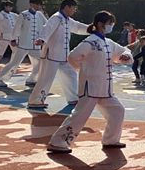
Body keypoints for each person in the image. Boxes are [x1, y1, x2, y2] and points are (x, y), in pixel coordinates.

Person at [47, 11, 132, 153]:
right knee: (79, 116)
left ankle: (110, 140)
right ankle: (58, 142)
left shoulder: (108, 42)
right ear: (100, 24)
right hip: (91, 87)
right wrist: (84, 70)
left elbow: (124, 51)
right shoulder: (90, 41)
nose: (111, 26)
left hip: (105, 88)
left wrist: (125, 56)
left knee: (117, 111)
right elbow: (72, 57)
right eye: (109, 23)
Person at [27, 0, 89, 109]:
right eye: (73, 8)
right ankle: (35, 101)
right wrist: (42, 39)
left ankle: (73, 98)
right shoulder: (56, 17)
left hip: (64, 55)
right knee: (46, 78)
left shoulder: (68, 20)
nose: (74, 10)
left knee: (71, 74)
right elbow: (47, 28)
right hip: (51, 55)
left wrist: (92, 29)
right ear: (67, 7)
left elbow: (78, 27)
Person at [0, 0, 47, 88]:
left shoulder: (40, 15)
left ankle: (32, 79)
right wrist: (13, 39)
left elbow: (47, 25)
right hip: (23, 44)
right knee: (14, 62)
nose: (39, 6)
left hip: (35, 45)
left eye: (40, 4)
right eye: (37, 4)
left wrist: (43, 38)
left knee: (40, 62)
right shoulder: (23, 14)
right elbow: (17, 28)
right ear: (31, 4)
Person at [0, 0, 18, 69]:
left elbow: (21, 19)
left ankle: (13, 63)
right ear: (5, 7)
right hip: (4, 36)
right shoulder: (0, 15)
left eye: (11, 7)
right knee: (0, 51)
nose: (10, 8)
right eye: (9, 6)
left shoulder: (13, 15)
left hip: (13, 36)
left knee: (16, 50)